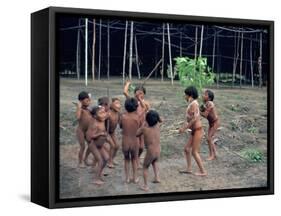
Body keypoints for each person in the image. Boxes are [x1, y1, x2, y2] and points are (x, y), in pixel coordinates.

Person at [178, 86, 207, 176]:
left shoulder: (194, 104)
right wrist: (184, 127)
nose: (184, 96)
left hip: (198, 130)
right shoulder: (192, 103)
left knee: (194, 152)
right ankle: (189, 169)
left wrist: (184, 128)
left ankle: (203, 172)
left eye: (185, 95)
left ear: (190, 95)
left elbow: (194, 119)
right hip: (194, 130)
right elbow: (190, 119)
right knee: (187, 149)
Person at [123, 80, 150, 168]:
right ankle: (135, 159)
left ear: (144, 94)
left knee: (142, 147)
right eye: (137, 93)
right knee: (136, 145)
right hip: (134, 127)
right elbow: (125, 92)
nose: (139, 95)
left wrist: (140, 99)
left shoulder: (145, 103)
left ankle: (136, 158)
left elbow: (145, 108)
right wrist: (127, 84)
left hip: (142, 126)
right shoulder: (132, 101)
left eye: (141, 93)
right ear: (134, 94)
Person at [136, 110, 162, 191]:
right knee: (155, 162)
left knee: (145, 167)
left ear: (147, 120)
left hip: (150, 152)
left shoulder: (144, 129)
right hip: (158, 150)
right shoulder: (158, 126)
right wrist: (158, 117)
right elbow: (161, 120)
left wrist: (144, 123)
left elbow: (137, 134)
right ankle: (157, 177)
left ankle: (145, 186)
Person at [86, 106, 109, 185]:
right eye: (101, 113)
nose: (103, 115)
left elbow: (107, 114)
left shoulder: (102, 120)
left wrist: (105, 109)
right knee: (100, 161)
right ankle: (96, 179)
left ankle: (99, 173)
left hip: (100, 146)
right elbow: (91, 136)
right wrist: (100, 133)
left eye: (104, 113)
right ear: (95, 116)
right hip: (94, 146)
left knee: (106, 159)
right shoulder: (95, 124)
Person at [120, 97, 141, 183]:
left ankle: (127, 178)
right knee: (134, 159)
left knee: (126, 159)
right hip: (135, 141)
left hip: (125, 141)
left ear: (125, 107)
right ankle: (135, 178)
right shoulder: (137, 118)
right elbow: (139, 127)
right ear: (136, 107)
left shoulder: (123, 117)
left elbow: (121, 126)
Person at [200, 90, 220, 160]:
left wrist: (198, 112)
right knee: (209, 139)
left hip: (215, 123)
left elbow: (205, 115)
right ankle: (215, 154)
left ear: (209, 98)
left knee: (209, 139)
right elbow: (203, 112)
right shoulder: (206, 103)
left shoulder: (210, 104)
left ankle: (212, 156)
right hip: (211, 123)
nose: (203, 95)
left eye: (205, 95)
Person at [74, 91, 92, 168]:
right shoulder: (80, 109)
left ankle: (86, 159)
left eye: (89, 100)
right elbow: (78, 117)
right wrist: (78, 106)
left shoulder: (89, 110)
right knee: (83, 146)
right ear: (81, 101)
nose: (89, 102)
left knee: (91, 145)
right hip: (81, 131)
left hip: (88, 131)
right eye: (87, 100)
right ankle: (80, 162)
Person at [107, 98, 121, 168]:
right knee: (112, 145)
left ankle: (112, 158)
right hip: (105, 132)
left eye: (119, 103)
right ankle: (109, 162)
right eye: (116, 103)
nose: (119, 105)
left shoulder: (118, 114)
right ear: (111, 105)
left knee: (117, 145)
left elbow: (120, 123)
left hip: (112, 132)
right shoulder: (108, 113)